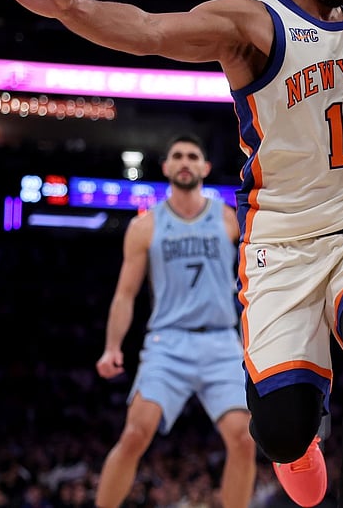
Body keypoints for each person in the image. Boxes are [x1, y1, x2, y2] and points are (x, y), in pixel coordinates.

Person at [0, 0, 343, 508]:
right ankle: (295, 439)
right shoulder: (253, 22)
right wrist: (69, 8)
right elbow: (149, 30)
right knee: (280, 433)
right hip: (281, 245)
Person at [93, 134, 255, 508]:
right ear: (165, 167)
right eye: (178, 156)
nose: (185, 161)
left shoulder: (229, 219)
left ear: (205, 167)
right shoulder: (145, 226)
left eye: (193, 156)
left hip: (221, 342)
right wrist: (112, 347)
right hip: (168, 343)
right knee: (135, 434)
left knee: (245, 439)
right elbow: (125, 294)